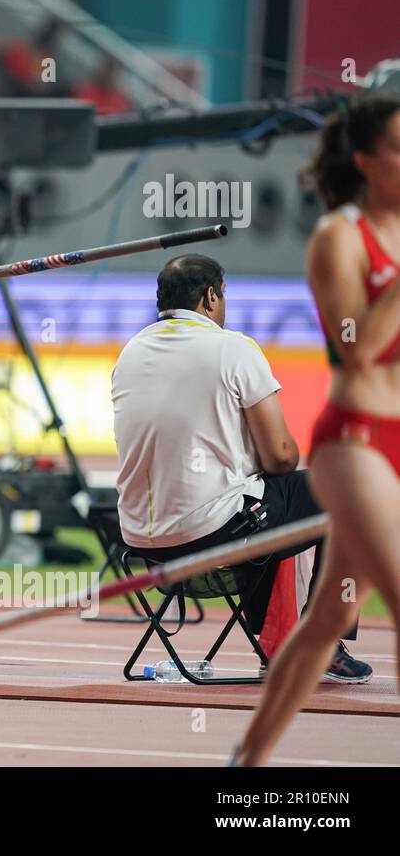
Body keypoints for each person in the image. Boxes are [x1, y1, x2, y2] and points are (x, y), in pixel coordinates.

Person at [234, 95, 400, 765]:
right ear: (366, 161)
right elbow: (357, 345)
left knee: (329, 619)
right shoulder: (339, 235)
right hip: (354, 441)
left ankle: (246, 761)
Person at [111, 255, 369, 681]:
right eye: (224, 295)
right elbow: (282, 457)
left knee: (261, 500)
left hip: (139, 539)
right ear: (210, 297)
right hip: (213, 533)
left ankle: (281, 638)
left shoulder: (129, 355)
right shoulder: (233, 348)